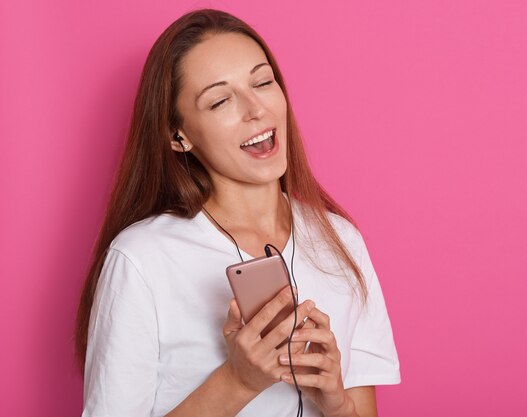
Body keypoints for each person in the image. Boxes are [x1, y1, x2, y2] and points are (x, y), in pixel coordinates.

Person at [75, 8, 400, 417]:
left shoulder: (341, 241)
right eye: (220, 100)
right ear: (179, 136)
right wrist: (238, 381)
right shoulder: (141, 258)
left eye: (263, 82)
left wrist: (336, 402)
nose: (256, 109)